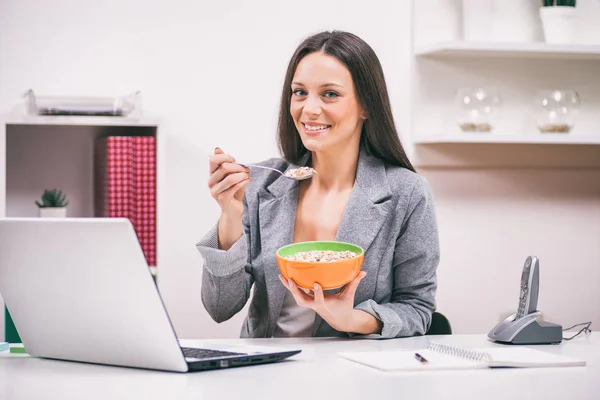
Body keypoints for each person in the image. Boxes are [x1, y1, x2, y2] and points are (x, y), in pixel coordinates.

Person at [196, 30, 440, 339]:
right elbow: (220, 308)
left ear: (366, 106)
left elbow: (417, 309)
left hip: (354, 374)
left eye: (330, 94)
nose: (309, 109)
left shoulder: (407, 193)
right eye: (300, 92)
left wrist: (350, 319)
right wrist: (230, 213)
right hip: (267, 373)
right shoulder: (260, 185)